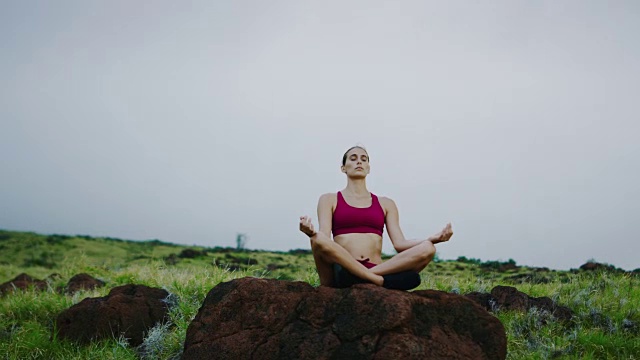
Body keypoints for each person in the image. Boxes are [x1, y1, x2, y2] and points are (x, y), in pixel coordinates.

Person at [299, 145, 453, 290]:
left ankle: (365, 277)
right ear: (343, 168)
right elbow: (324, 238)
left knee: (428, 248)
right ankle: (378, 281)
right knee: (317, 238)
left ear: (368, 168)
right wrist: (310, 232)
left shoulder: (386, 203)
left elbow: (400, 244)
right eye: (353, 158)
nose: (359, 161)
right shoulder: (329, 199)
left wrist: (432, 239)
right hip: (342, 269)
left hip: (375, 268)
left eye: (364, 159)